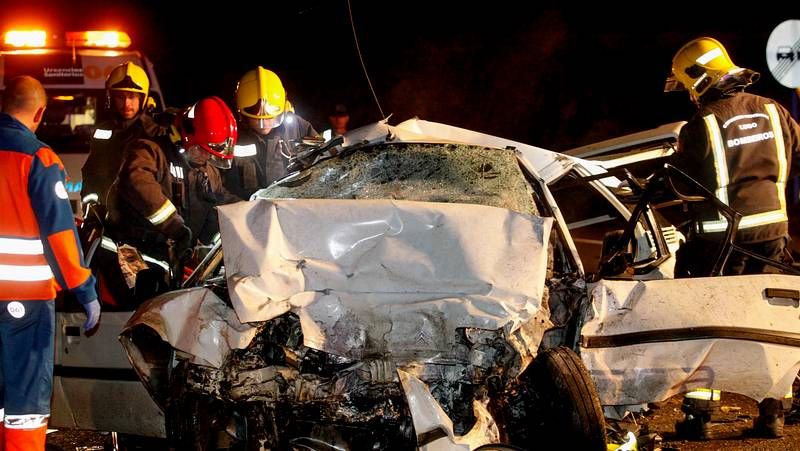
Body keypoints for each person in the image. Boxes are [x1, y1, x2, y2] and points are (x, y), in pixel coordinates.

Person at [665, 36, 800, 439]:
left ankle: (699, 419)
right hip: (774, 239)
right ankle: (773, 414)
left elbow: (679, 182)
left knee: (711, 328)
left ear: (699, 80)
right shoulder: (774, 112)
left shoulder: (702, 125)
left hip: (718, 249)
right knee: (770, 325)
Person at [0, 75, 99, 451]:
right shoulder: (39, 158)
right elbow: (60, 235)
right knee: (24, 406)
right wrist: (85, 290)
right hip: (25, 304)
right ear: (40, 112)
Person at [106, 96, 239, 272]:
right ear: (186, 136)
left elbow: (221, 203)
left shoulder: (209, 172)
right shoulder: (150, 152)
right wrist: (175, 228)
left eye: (212, 151)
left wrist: (254, 206)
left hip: (173, 263)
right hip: (133, 257)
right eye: (201, 148)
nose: (206, 157)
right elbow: (137, 182)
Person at [225, 66, 318, 200]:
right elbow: (222, 183)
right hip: (249, 213)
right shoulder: (233, 136)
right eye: (255, 117)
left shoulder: (298, 127)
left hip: (294, 209)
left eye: (269, 116)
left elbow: (326, 157)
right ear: (242, 114)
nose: (263, 123)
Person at [80, 61, 167, 204]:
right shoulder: (103, 131)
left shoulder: (155, 133)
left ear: (143, 99)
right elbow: (92, 173)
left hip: (142, 217)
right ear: (111, 98)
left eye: (132, 97)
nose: (127, 104)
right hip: (109, 217)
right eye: (121, 97)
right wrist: (91, 209)